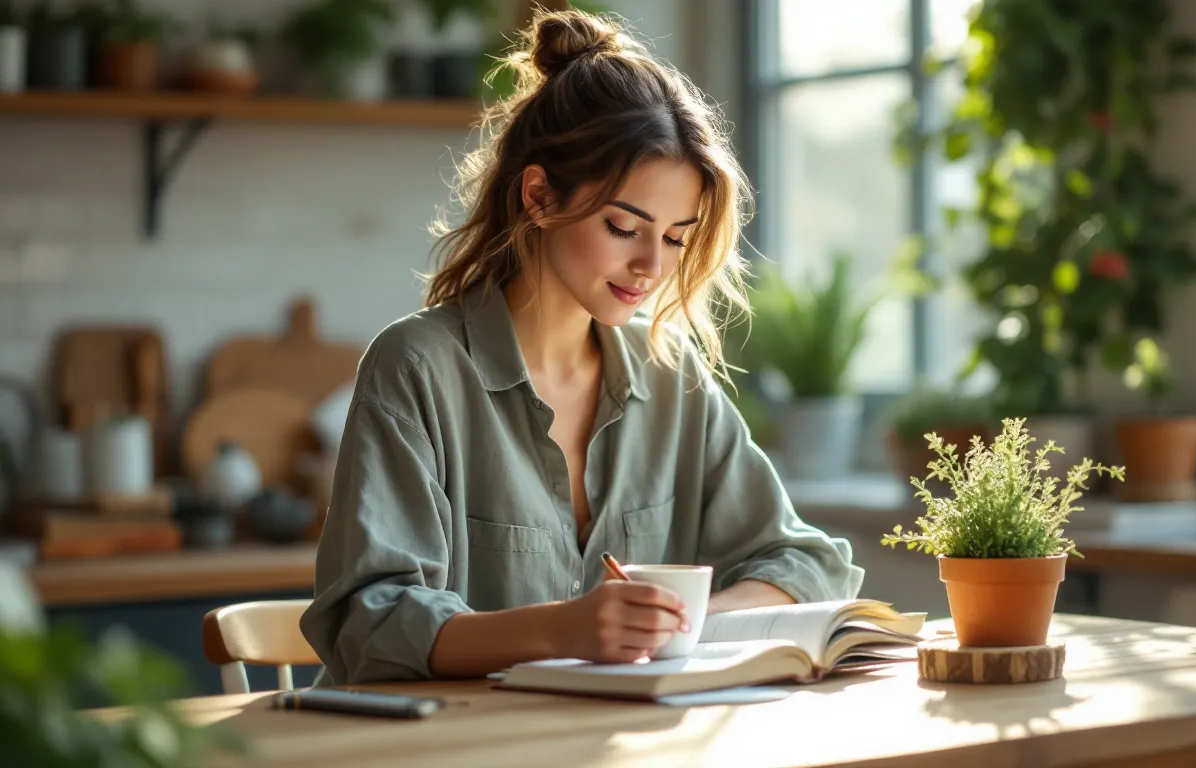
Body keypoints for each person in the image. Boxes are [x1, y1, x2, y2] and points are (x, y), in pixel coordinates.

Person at [299, 8, 863, 686]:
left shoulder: (669, 374)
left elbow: (803, 560)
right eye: (625, 226)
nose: (653, 266)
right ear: (538, 195)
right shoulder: (417, 369)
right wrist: (564, 630)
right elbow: (369, 618)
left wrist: (684, 625)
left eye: (677, 237)